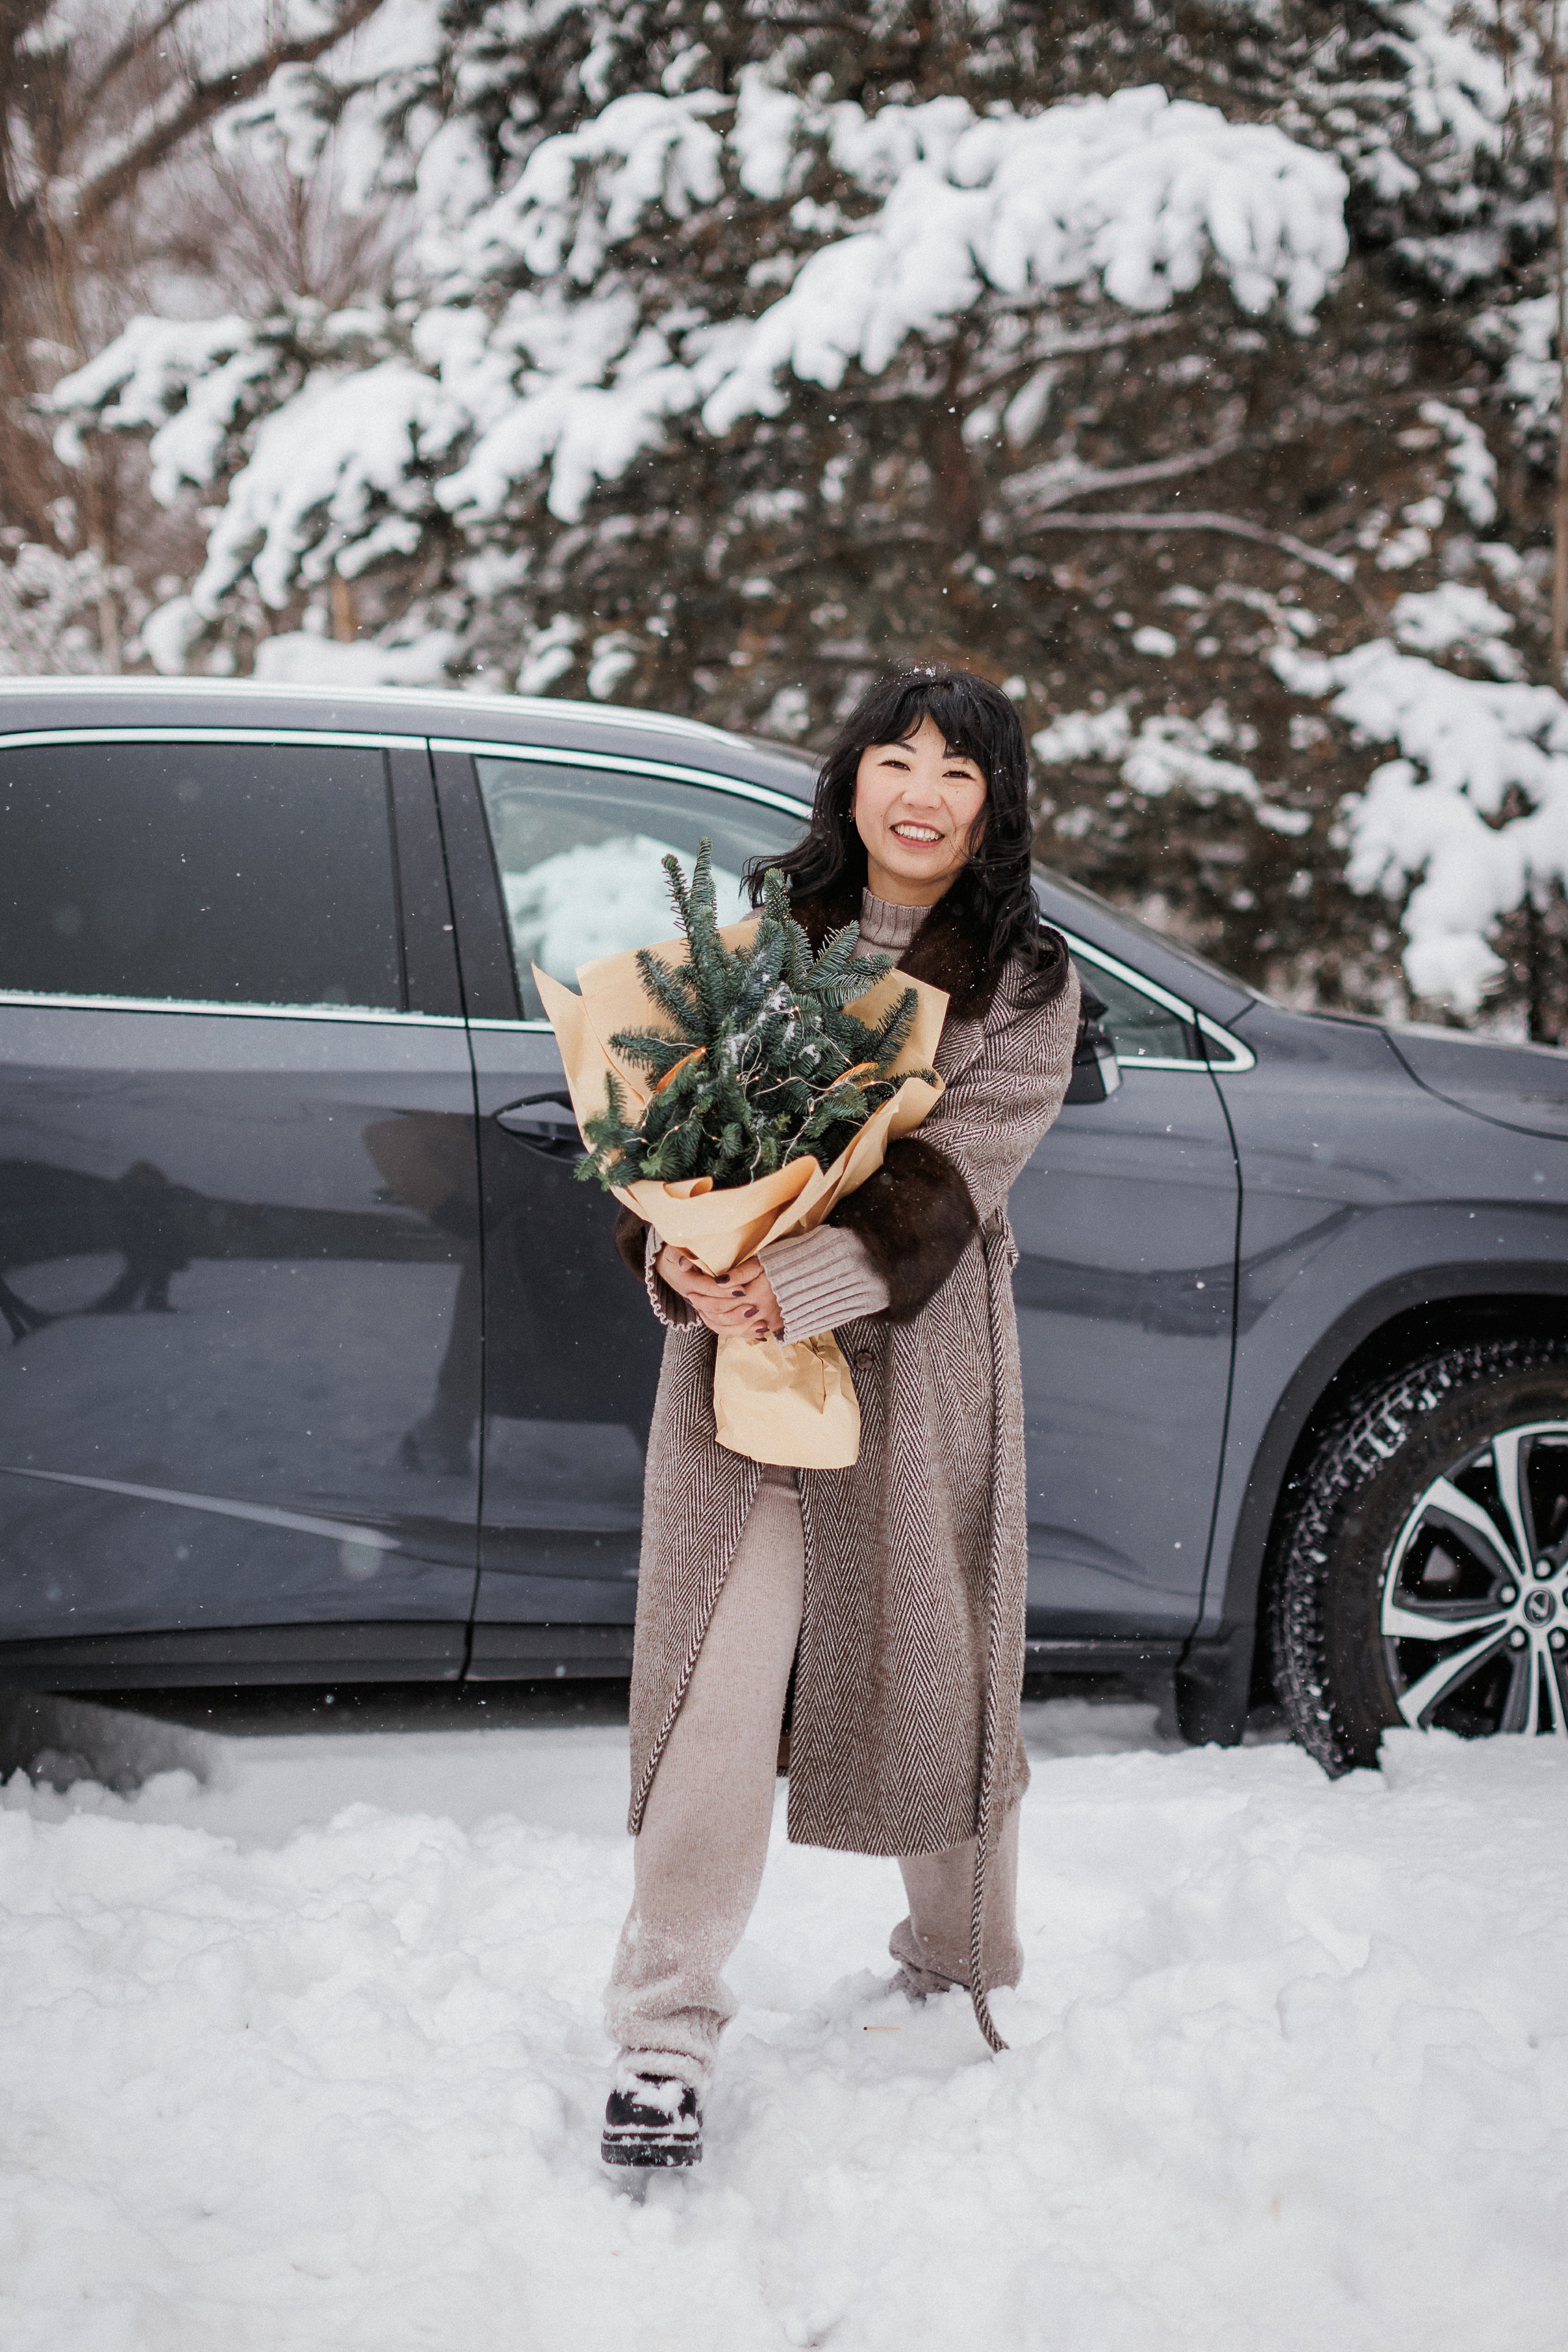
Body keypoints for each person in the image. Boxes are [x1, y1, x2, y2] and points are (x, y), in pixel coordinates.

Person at [600, 666, 1080, 2168]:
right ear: (850, 781)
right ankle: (662, 2026)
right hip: (742, 1378)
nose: (922, 793)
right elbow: (663, 1132)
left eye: (957, 770)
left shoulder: (1022, 980)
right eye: (895, 759)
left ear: (993, 804)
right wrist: (683, 1257)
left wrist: (796, 1273)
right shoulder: (753, 947)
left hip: (917, 1362)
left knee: (933, 1657)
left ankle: (959, 1962)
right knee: (716, 1680)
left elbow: (956, 1175)